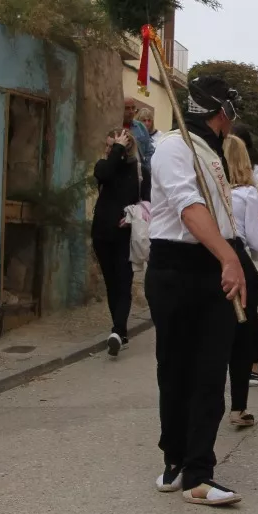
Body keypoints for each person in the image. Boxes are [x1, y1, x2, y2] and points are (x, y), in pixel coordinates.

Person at [146, 76, 249, 507]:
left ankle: (198, 470)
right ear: (221, 110)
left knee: (210, 371)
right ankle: (177, 460)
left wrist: (230, 255)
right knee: (176, 369)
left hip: (212, 264)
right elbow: (189, 209)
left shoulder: (208, 150)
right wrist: (229, 258)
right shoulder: (174, 147)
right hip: (178, 267)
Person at [224, 134, 258, 429]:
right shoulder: (246, 194)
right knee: (241, 337)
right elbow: (257, 242)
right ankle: (238, 408)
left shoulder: (210, 190)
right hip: (239, 261)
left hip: (211, 259)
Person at [91, 126, 141, 356]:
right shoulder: (104, 167)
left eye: (114, 145)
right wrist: (116, 150)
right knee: (112, 283)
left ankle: (117, 329)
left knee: (123, 281)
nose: (109, 149)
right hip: (102, 233)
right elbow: (104, 174)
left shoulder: (137, 170)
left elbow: (149, 200)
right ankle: (120, 331)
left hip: (125, 234)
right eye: (110, 145)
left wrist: (135, 216)